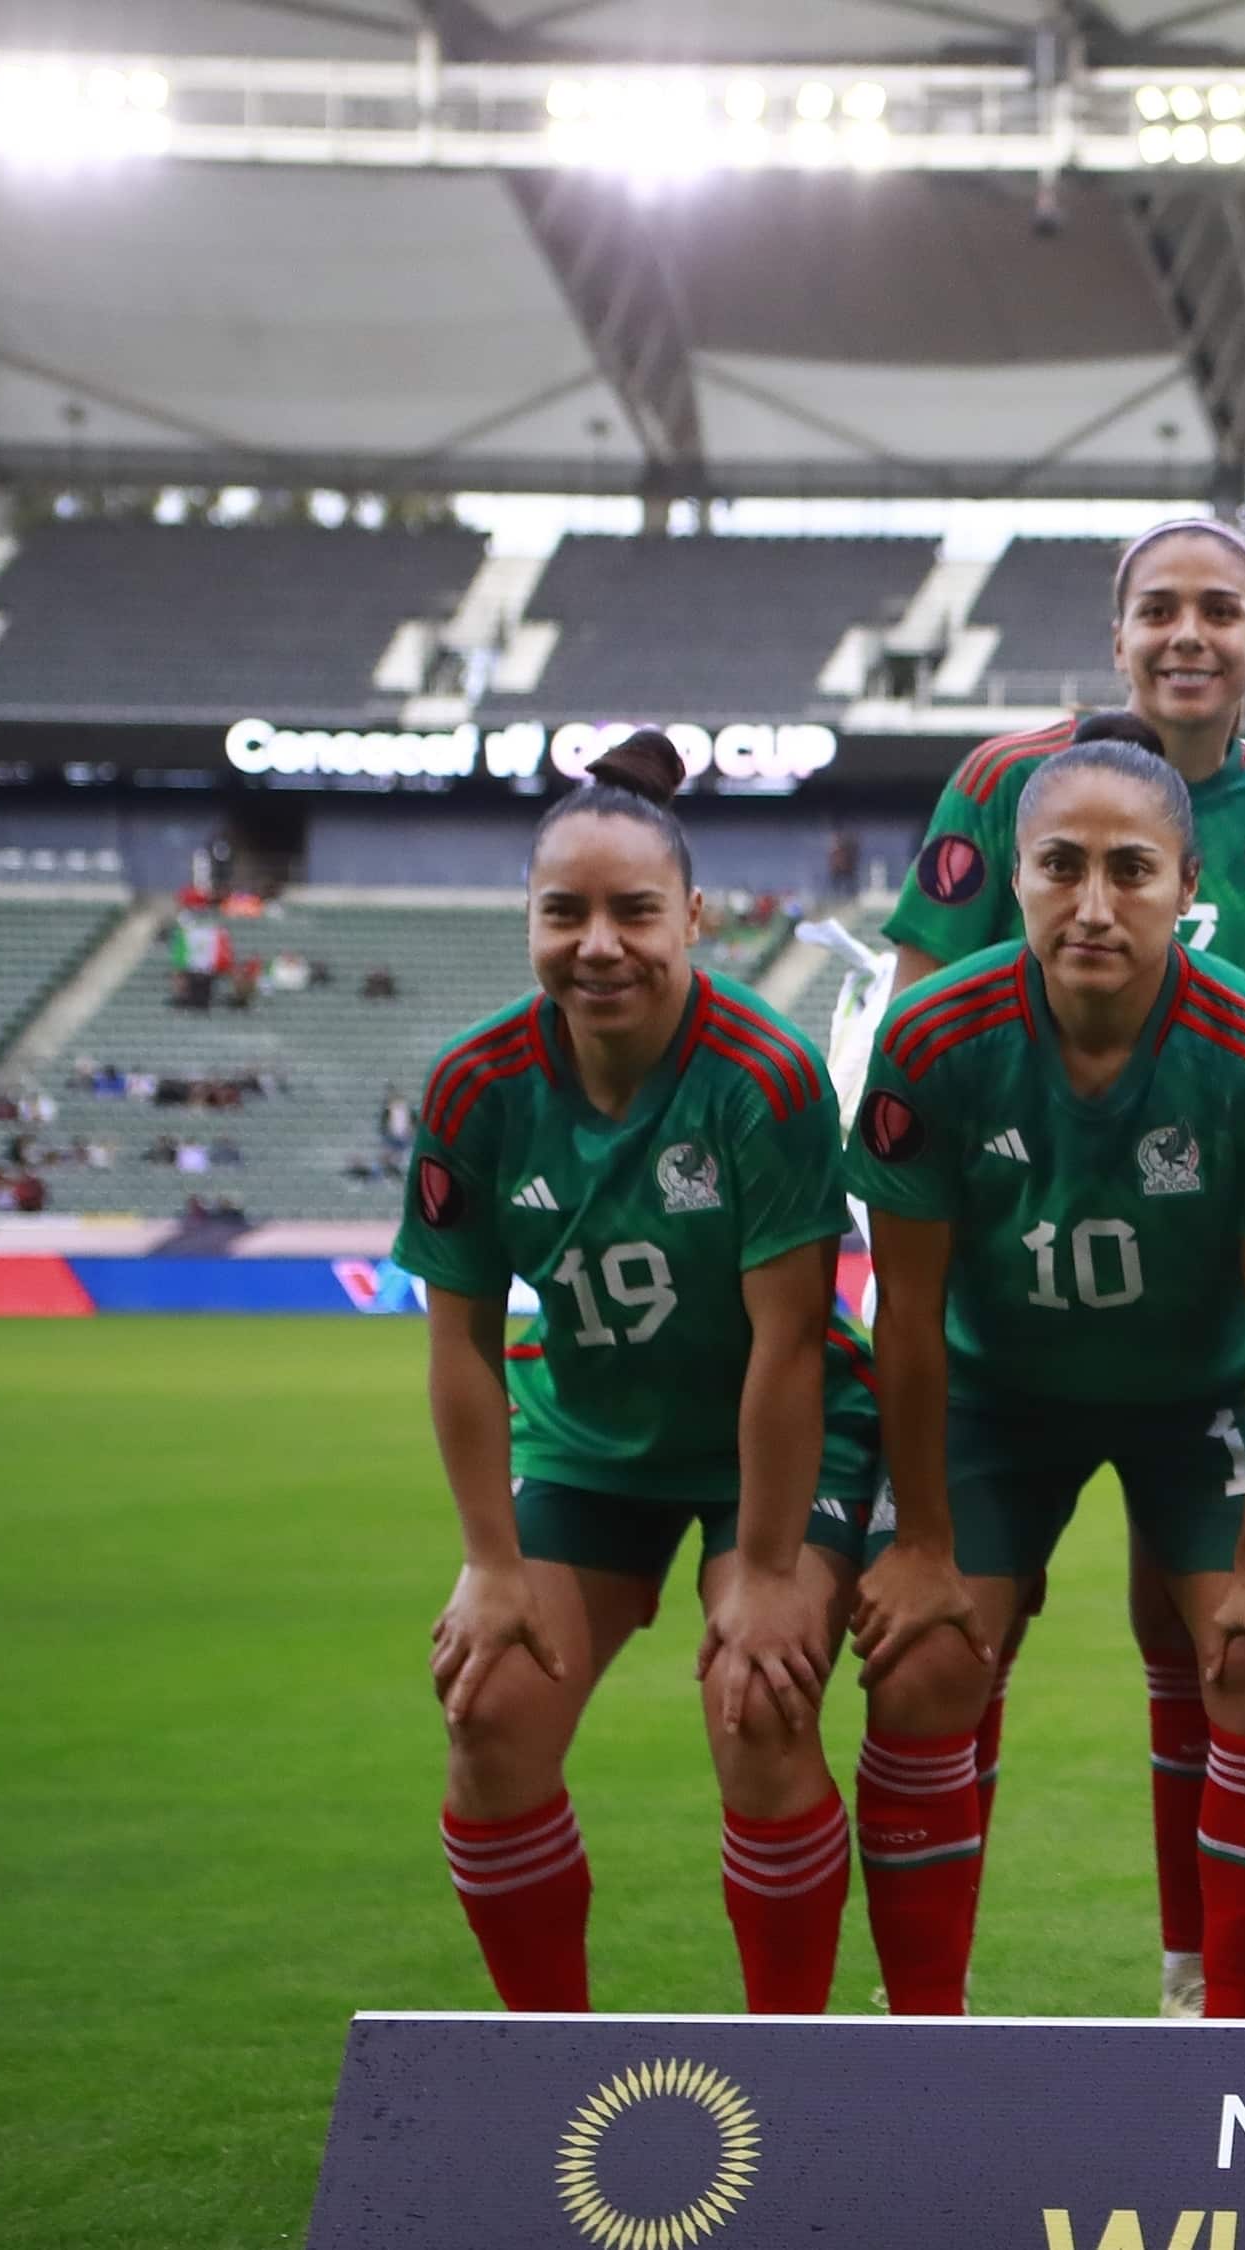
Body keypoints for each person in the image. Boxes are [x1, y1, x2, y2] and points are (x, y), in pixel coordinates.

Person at [839, 733, 1245, 2017]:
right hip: (995, 1393)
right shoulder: (931, 1039)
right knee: (920, 1662)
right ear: (1015, 876)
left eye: (1131, 870)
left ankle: (1225, 2040)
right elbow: (906, 1309)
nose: (1093, 904)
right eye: (1060, 866)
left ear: (1188, 886)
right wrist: (920, 1544)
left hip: (1202, 1394)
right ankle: (923, 2041)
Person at [398, 730, 883, 2015]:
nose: (598, 945)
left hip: (771, 1444)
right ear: (530, 921)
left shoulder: (763, 1077)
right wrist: (491, 1562)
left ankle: (788, 2066)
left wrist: (767, 1574)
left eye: (634, 912)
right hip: (589, 1444)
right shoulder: (475, 1087)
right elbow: (459, 1340)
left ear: (695, 919)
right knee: (489, 1713)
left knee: (758, 1703)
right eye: (565, 913)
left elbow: (789, 1342)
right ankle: (548, 2063)